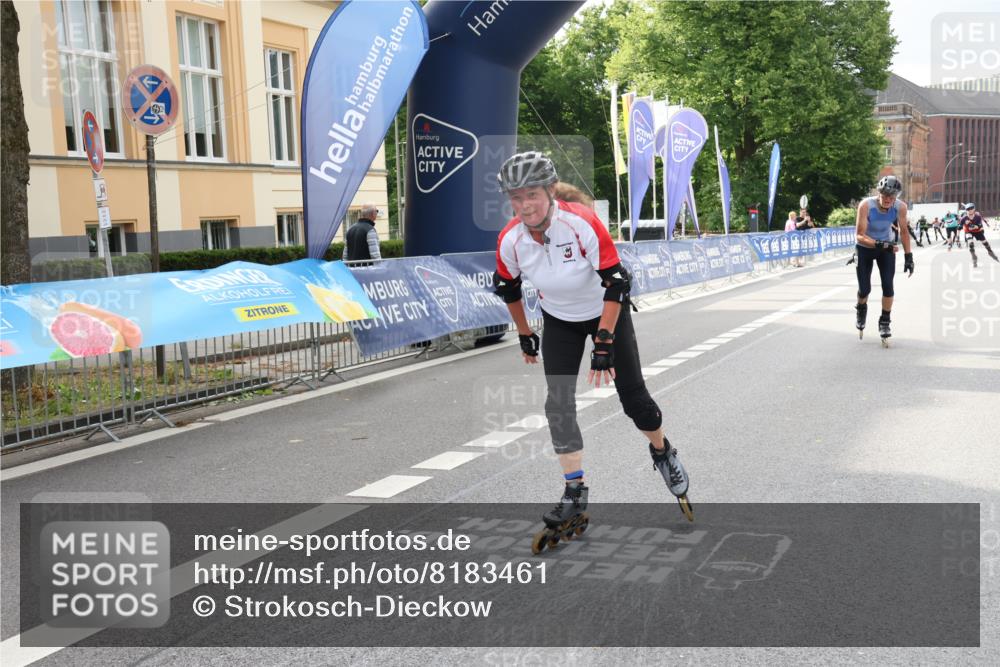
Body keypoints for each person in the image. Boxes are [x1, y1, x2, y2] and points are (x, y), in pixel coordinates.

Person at [492, 152, 693, 550]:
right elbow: (508, 288)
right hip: (560, 321)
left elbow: (617, 282)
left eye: (531, 194)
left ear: (550, 191)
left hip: (606, 312)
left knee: (633, 399)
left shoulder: (580, 223)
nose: (524, 205)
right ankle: (574, 492)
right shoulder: (510, 239)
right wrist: (524, 333)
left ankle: (662, 451)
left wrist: (603, 340)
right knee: (558, 404)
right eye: (515, 198)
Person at [853, 175, 913, 345]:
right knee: (864, 289)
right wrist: (880, 244)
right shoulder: (866, 205)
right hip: (865, 247)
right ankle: (861, 308)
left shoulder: (900, 207)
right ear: (878, 193)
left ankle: (885, 321)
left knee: (888, 285)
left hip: (885, 249)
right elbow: (859, 235)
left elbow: (904, 232)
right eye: (885, 196)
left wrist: (909, 256)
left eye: (892, 197)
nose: (888, 200)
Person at [960, 203, 998, 268]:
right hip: (968, 232)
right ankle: (974, 257)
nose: (970, 210)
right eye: (968, 209)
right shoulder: (964, 218)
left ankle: (990, 251)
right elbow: (959, 226)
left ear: (974, 208)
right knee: (970, 244)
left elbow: (979, 225)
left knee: (985, 243)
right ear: (966, 210)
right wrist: (957, 237)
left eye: (971, 208)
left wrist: (975, 226)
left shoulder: (978, 216)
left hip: (977, 231)